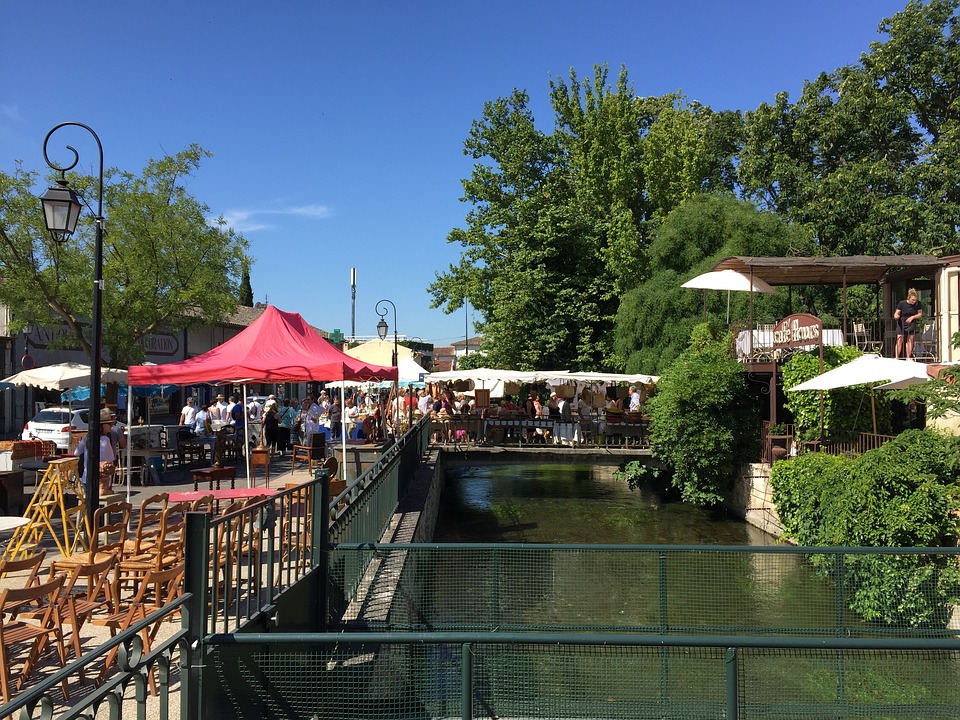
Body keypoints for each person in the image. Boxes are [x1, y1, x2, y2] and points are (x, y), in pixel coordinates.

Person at [74, 408, 126, 494]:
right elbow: (111, 459)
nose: (111, 425)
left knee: (88, 502)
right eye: (109, 424)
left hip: (86, 477)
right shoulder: (105, 440)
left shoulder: (87, 437)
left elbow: (77, 453)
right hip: (103, 479)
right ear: (103, 426)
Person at [895, 288, 923, 359]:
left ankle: (908, 357)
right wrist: (896, 316)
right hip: (901, 322)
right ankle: (897, 357)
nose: (914, 301)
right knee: (899, 339)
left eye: (915, 300)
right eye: (912, 300)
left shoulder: (918, 304)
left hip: (911, 322)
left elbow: (920, 314)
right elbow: (897, 313)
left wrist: (912, 317)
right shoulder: (902, 303)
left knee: (910, 339)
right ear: (909, 298)